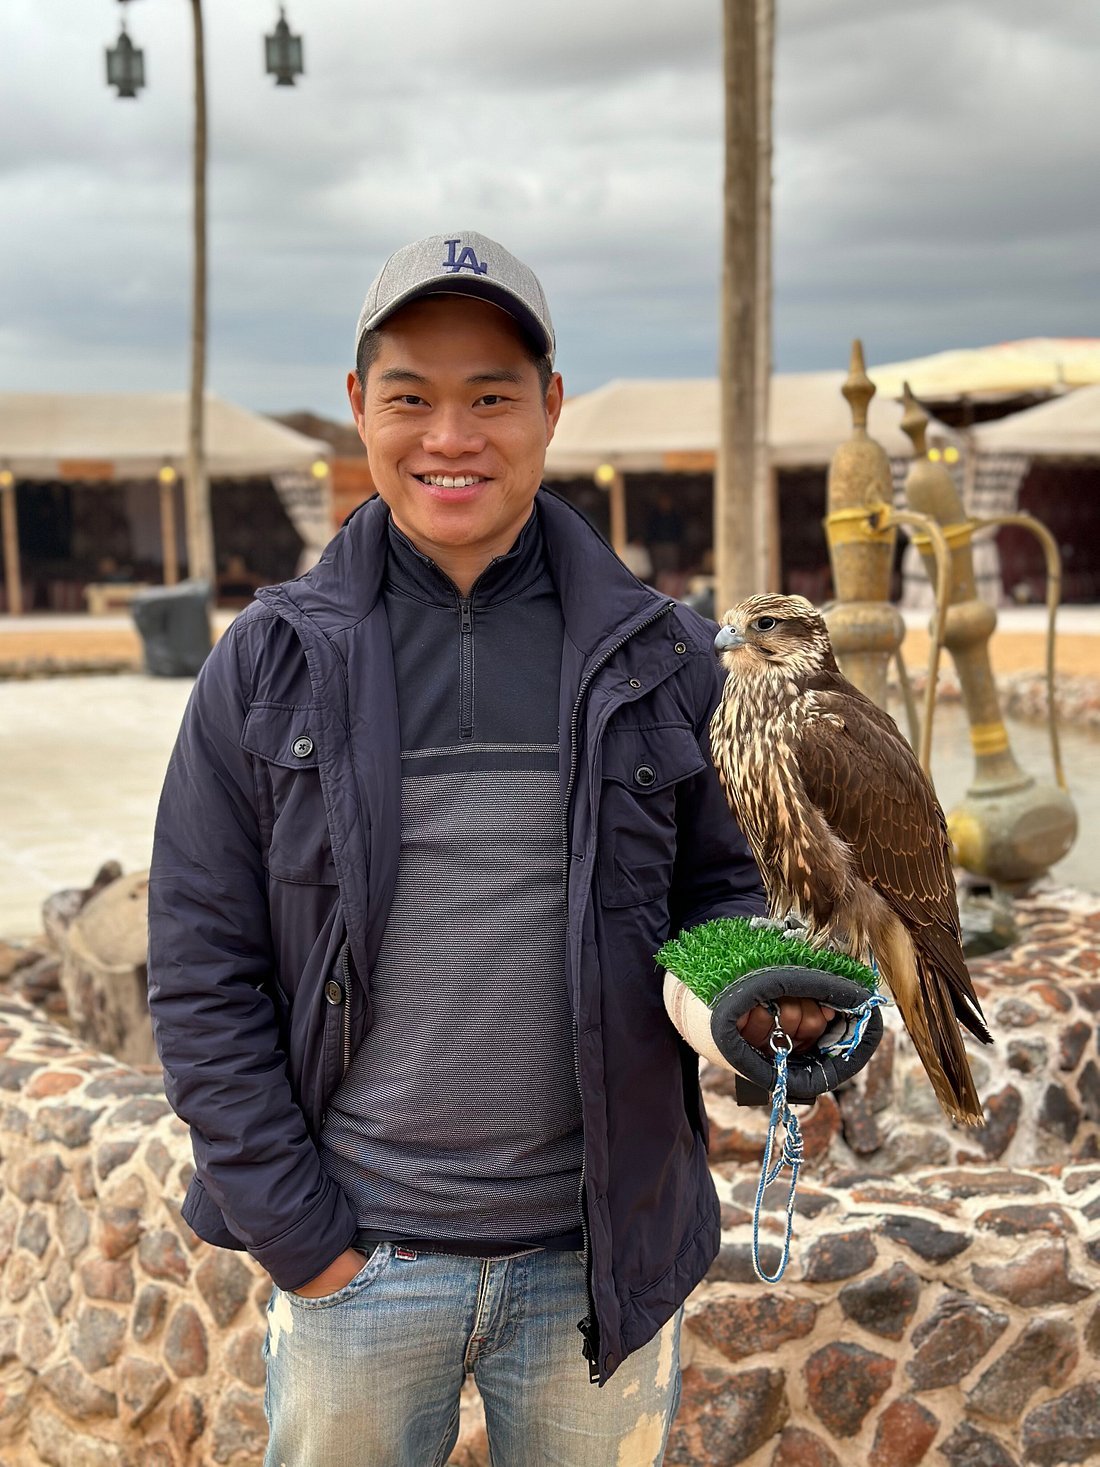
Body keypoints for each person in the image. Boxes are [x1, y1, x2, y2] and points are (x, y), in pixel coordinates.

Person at [147, 230, 833, 1467]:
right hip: (360, 1260)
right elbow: (201, 968)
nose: (449, 437)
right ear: (360, 408)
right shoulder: (266, 663)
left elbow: (715, 901)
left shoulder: (664, 656)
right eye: (410, 397)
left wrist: (772, 1010)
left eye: (490, 398)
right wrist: (308, 1247)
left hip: (590, 1268)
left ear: (550, 408)